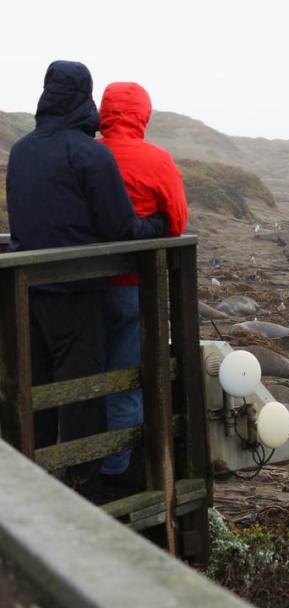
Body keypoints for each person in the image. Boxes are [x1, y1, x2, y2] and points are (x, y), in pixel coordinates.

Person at [5, 60, 169, 494]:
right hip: (75, 291)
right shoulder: (87, 152)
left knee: (35, 391)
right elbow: (121, 227)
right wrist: (156, 224)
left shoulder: (21, 151)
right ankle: (82, 491)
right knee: (83, 395)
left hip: (25, 292)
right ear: (84, 96)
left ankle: (32, 487)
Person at [97, 81, 188, 484]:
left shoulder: (88, 153)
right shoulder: (157, 159)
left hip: (75, 286)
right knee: (126, 378)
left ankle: (77, 468)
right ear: (143, 115)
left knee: (78, 378)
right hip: (134, 285)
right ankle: (118, 473)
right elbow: (178, 222)